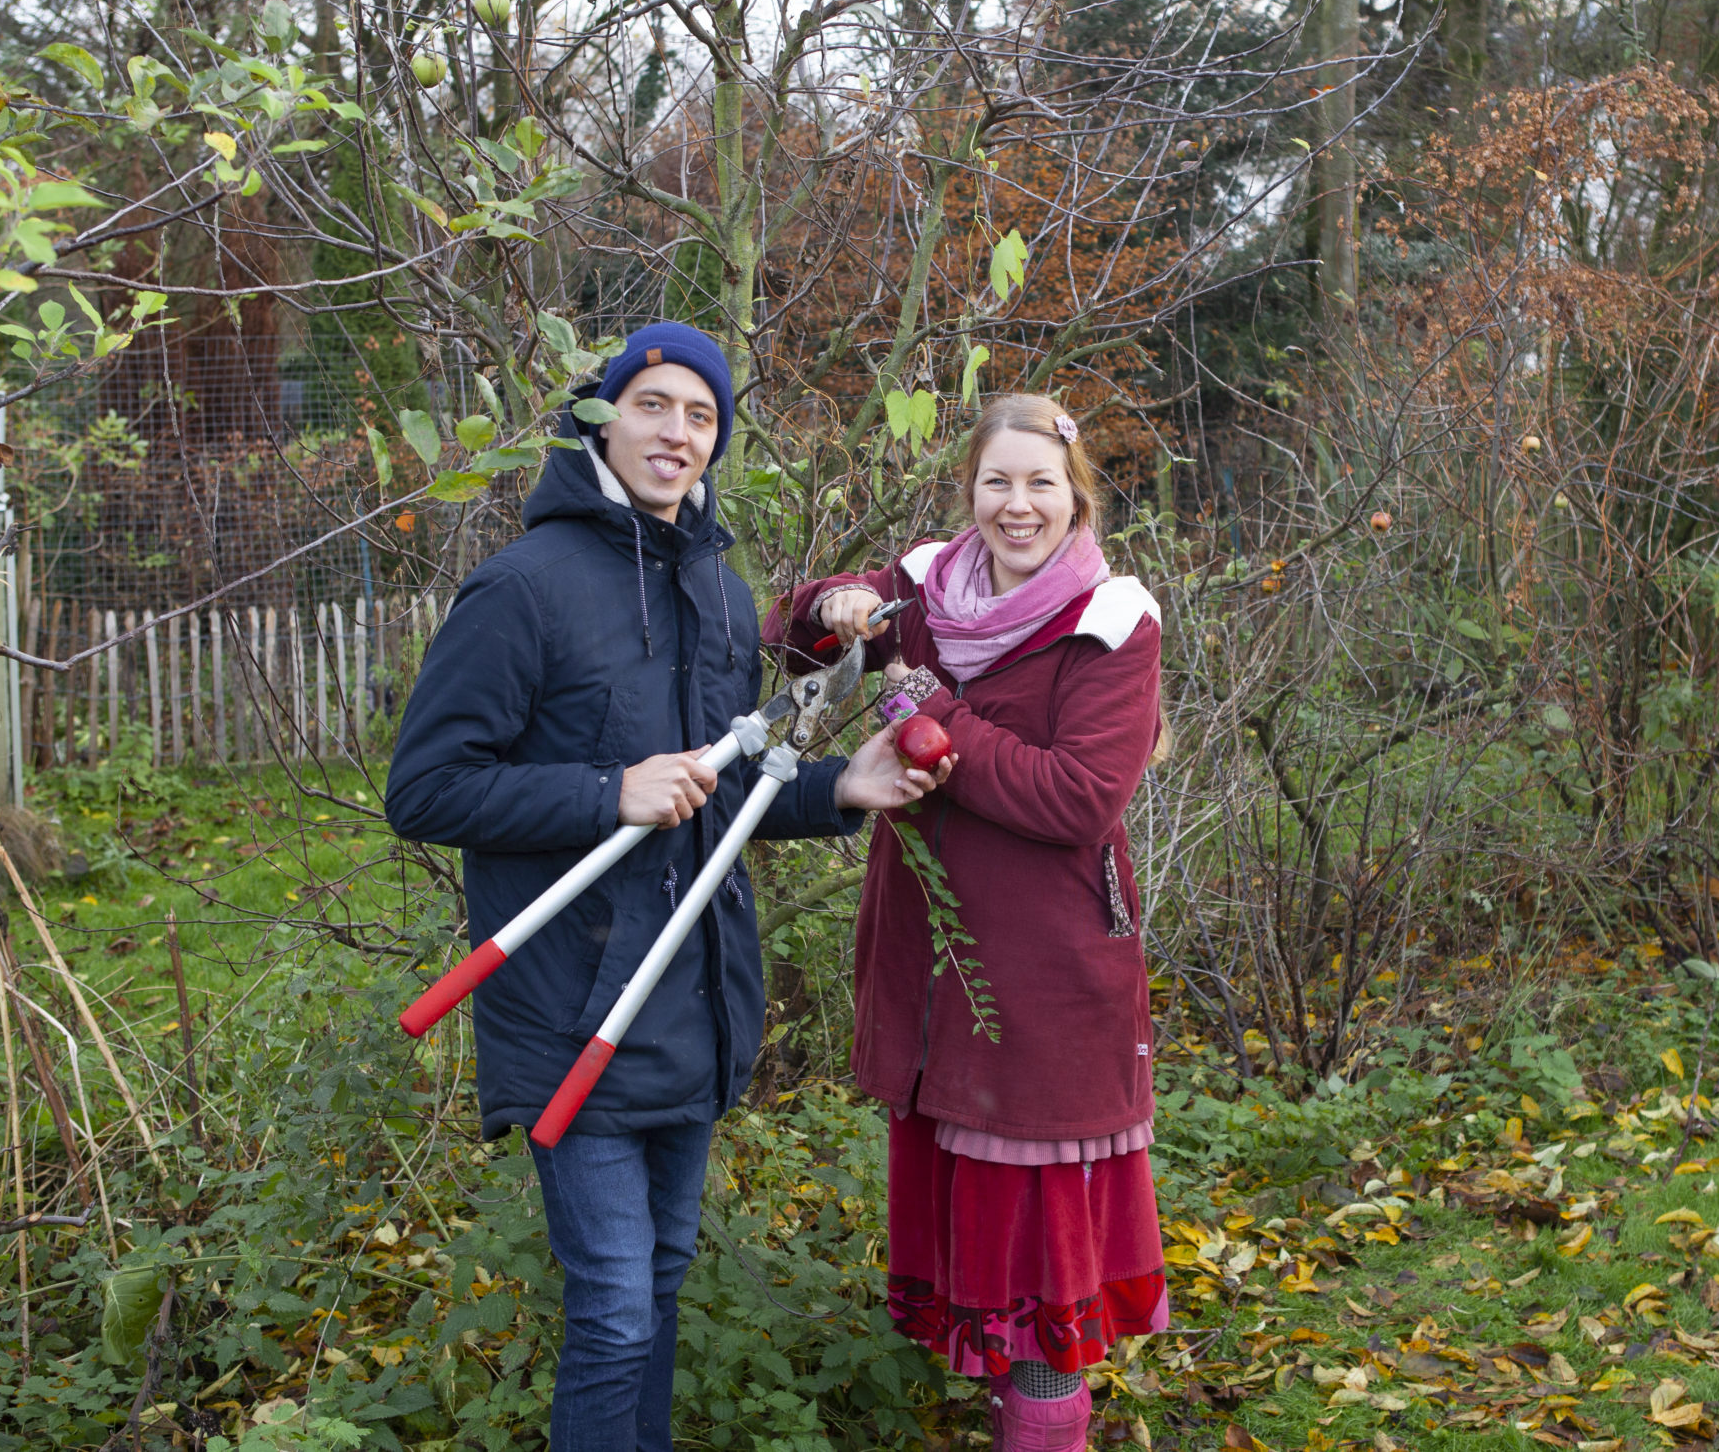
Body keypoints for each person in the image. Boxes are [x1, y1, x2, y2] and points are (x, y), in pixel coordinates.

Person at [385, 321, 947, 1452]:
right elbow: (429, 791)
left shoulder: (721, 593)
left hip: (687, 998)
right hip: (572, 1002)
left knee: (659, 1287)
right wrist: (607, 792)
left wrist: (844, 787)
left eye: (701, 416)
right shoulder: (522, 590)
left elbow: (719, 796)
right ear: (604, 417)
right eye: (653, 405)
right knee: (614, 1309)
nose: (676, 433)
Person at [771, 392, 1167, 1452]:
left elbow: (1079, 797)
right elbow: (791, 634)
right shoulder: (925, 588)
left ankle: (1046, 1433)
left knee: (1036, 1264)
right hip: (934, 964)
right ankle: (1010, 1419)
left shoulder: (1112, 625)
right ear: (971, 490)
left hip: (1044, 983)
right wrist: (838, 604)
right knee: (977, 1255)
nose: (1017, 505)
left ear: (1074, 495)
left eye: (1040, 483)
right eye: (997, 481)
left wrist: (933, 716)